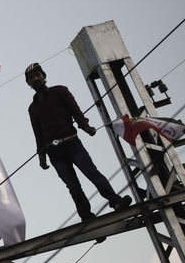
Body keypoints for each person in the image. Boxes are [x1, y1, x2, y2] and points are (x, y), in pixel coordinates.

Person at [25, 62, 131, 221]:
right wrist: (41, 156)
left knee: (92, 173)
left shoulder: (60, 91)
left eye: (37, 75)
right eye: (31, 78)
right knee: (73, 187)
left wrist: (86, 127)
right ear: (29, 83)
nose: (35, 79)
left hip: (72, 144)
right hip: (54, 152)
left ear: (44, 76)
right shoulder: (33, 108)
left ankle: (115, 201)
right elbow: (38, 134)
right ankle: (86, 216)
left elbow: (75, 111)